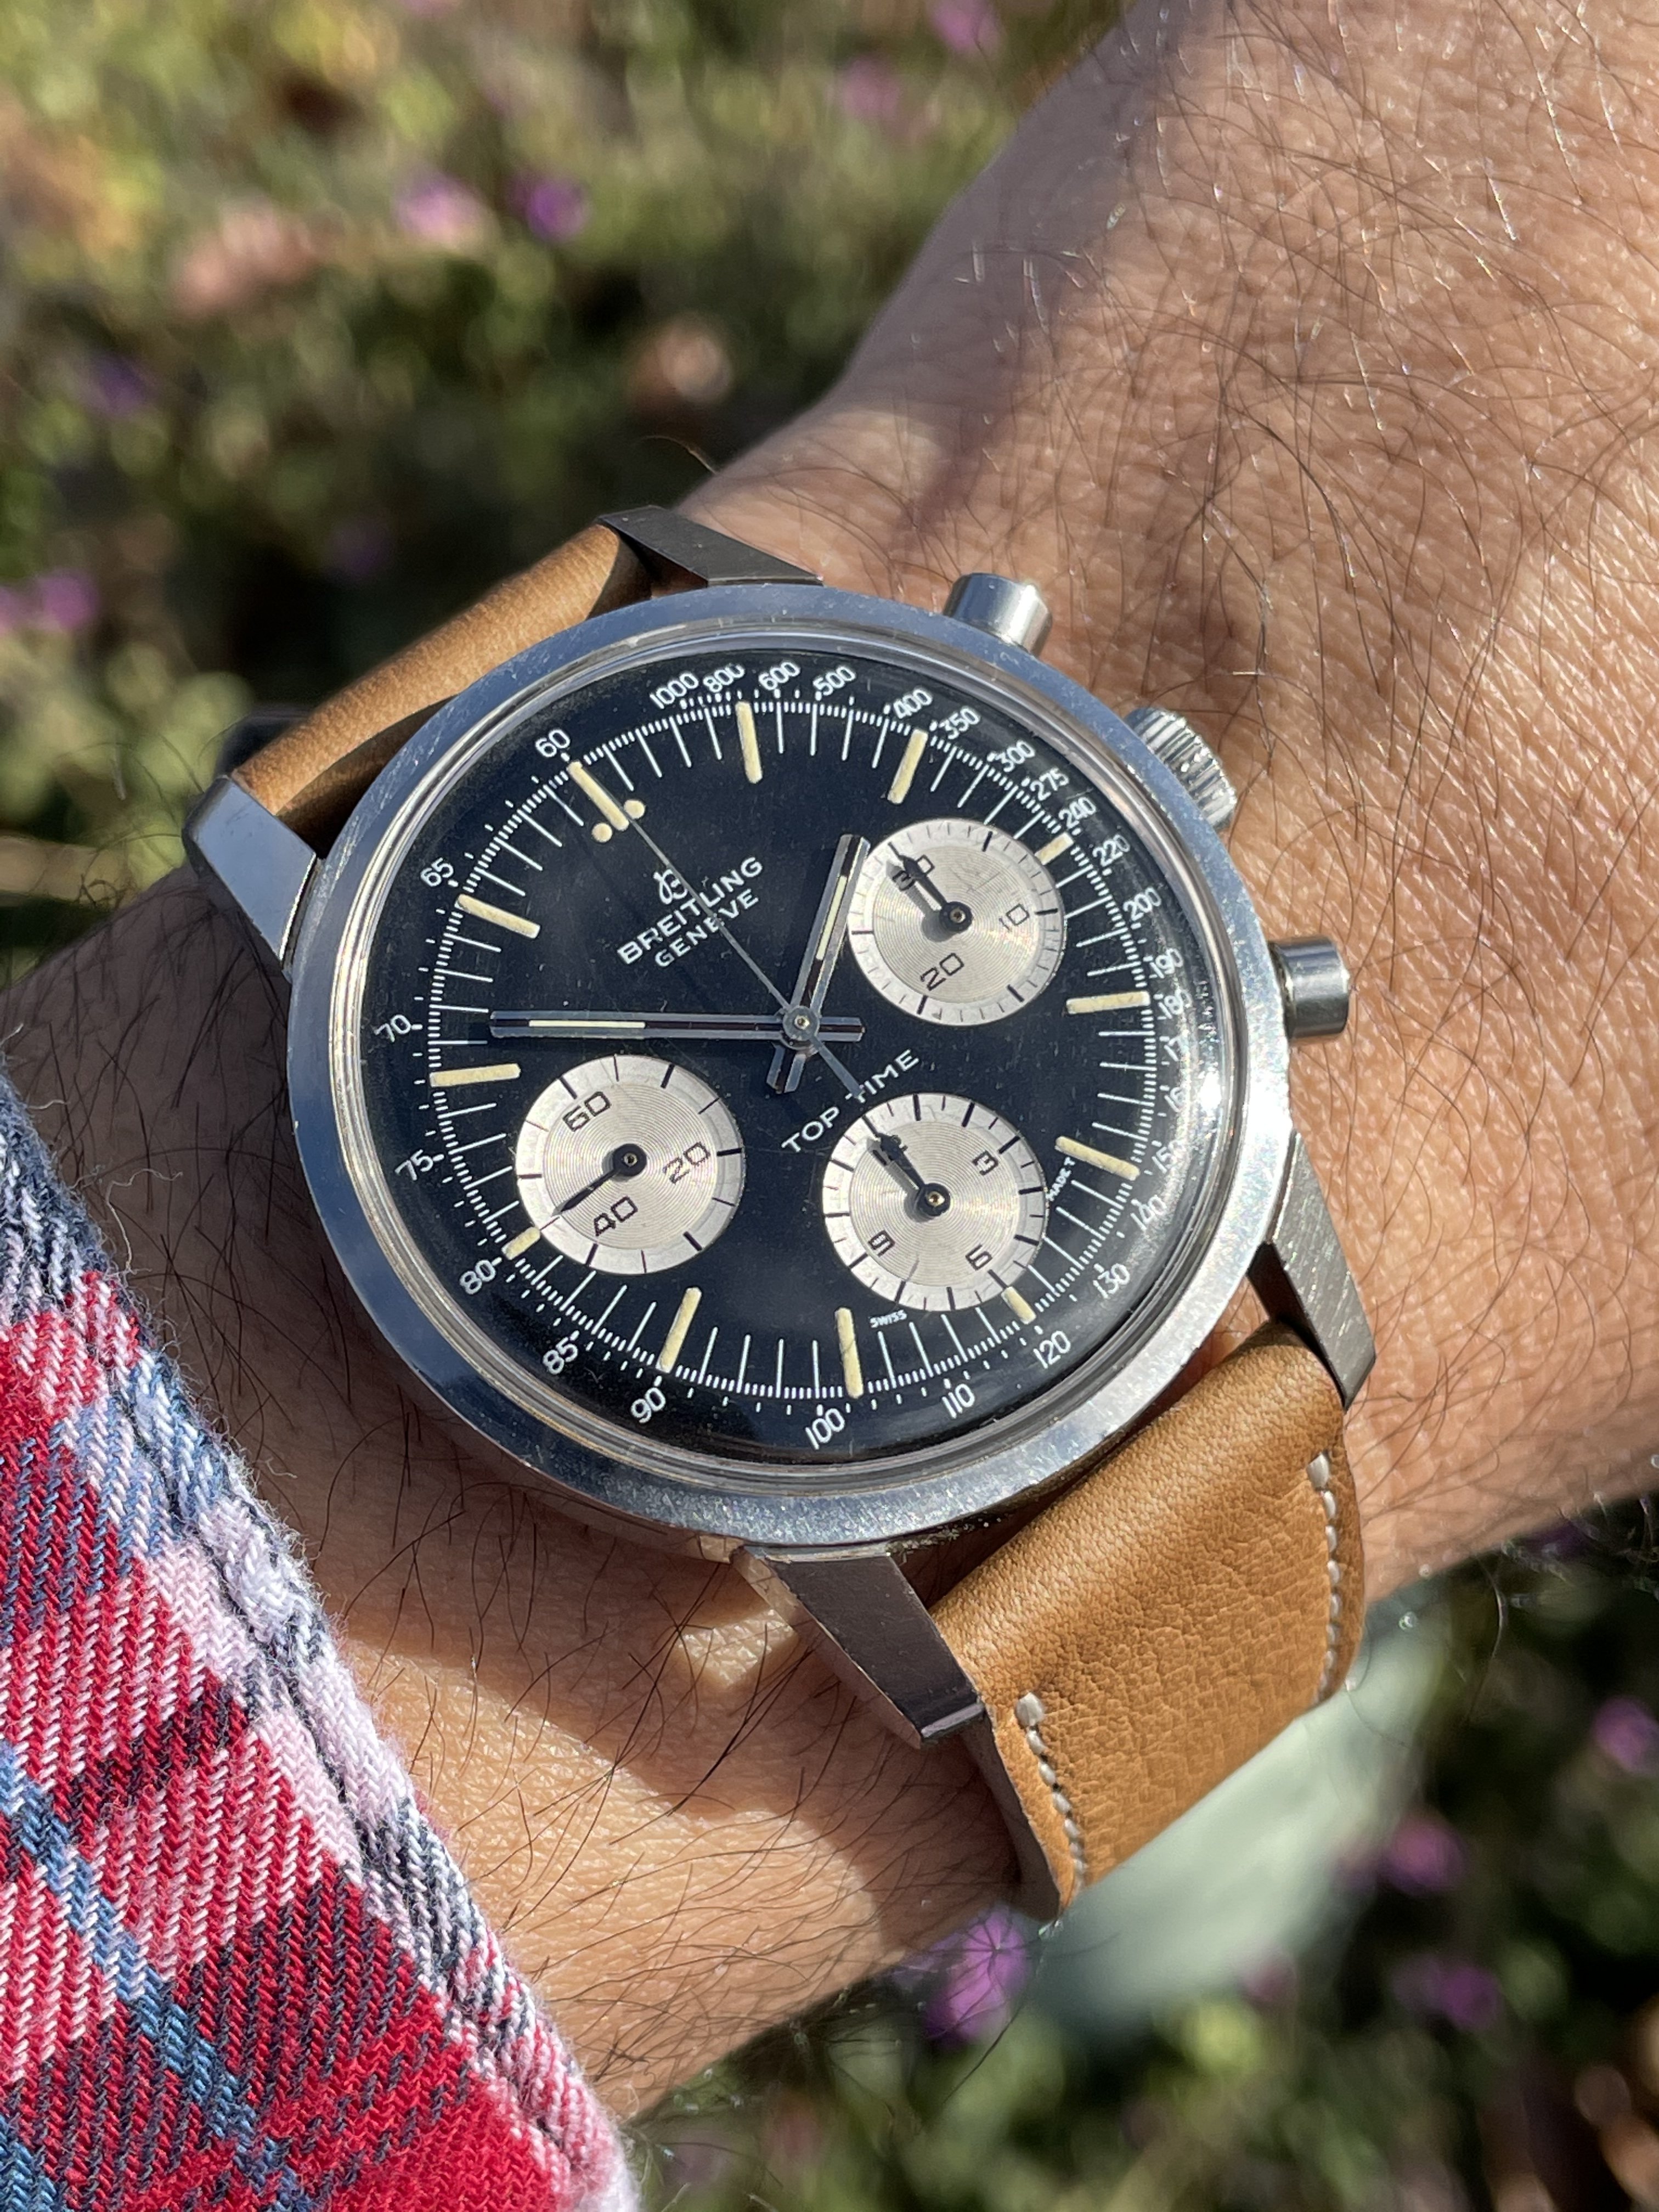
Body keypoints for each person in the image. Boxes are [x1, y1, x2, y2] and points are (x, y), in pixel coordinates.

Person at [3, 0, 1656, 2198]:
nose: (804, 1050)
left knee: (1169, 1866)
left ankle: (1170, 1919)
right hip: (836, 1436)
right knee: (1177, 1877)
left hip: (1055, 1342)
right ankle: (1179, 1923)